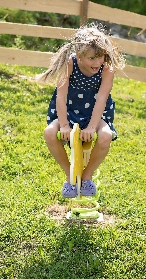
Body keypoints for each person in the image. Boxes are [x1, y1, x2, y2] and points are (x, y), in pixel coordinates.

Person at [37, 23, 125, 198]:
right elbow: (60, 96)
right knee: (49, 133)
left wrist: (92, 127)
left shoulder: (107, 68)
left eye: (101, 57)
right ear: (78, 55)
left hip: (96, 113)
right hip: (68, 111)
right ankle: (69, 176)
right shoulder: (69, 63)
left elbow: (101, 98)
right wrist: (64, 125)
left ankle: (87, 176)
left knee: (106, 136)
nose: (97, 62)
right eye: (92, 58)